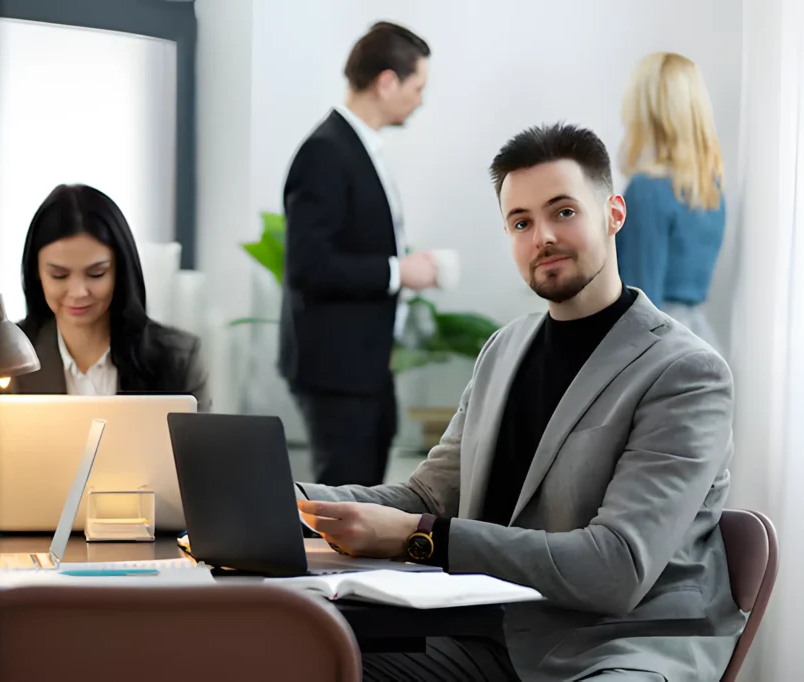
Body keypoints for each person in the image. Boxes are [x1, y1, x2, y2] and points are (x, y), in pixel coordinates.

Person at [295, 123, 745, 681]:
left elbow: (615, 567)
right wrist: (287, 500)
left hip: (621, 650)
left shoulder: (685, 373)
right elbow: (424, 494)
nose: (542, 238)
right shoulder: (503, 350)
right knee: (301, 656)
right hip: (493, 639)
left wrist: (423, 537)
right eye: (521, 222)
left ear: (613, 214)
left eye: (563, 212)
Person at [0, 184, 209, 511]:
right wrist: (60, 502)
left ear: (120, 271)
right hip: (31, 553)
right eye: (59, 275)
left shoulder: (176, 358)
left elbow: (204, 486)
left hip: (149, 551)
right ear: (36, 274)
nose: (78, 291)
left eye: (96, 273)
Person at [279, 21, 441, 488]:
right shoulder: (326, 152)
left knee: (367, 496)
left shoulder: (356, 148)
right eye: (418, 86)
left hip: (363, 366)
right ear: (386, 81)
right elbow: (309, 265)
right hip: (337, 370)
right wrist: (398, 271)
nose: (421, 99)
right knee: (345, 503)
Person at [616, 51, 726, 352]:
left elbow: (642, 300)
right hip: (699, 339)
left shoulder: (647, 191)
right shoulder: (709, 189)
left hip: (657, 346)